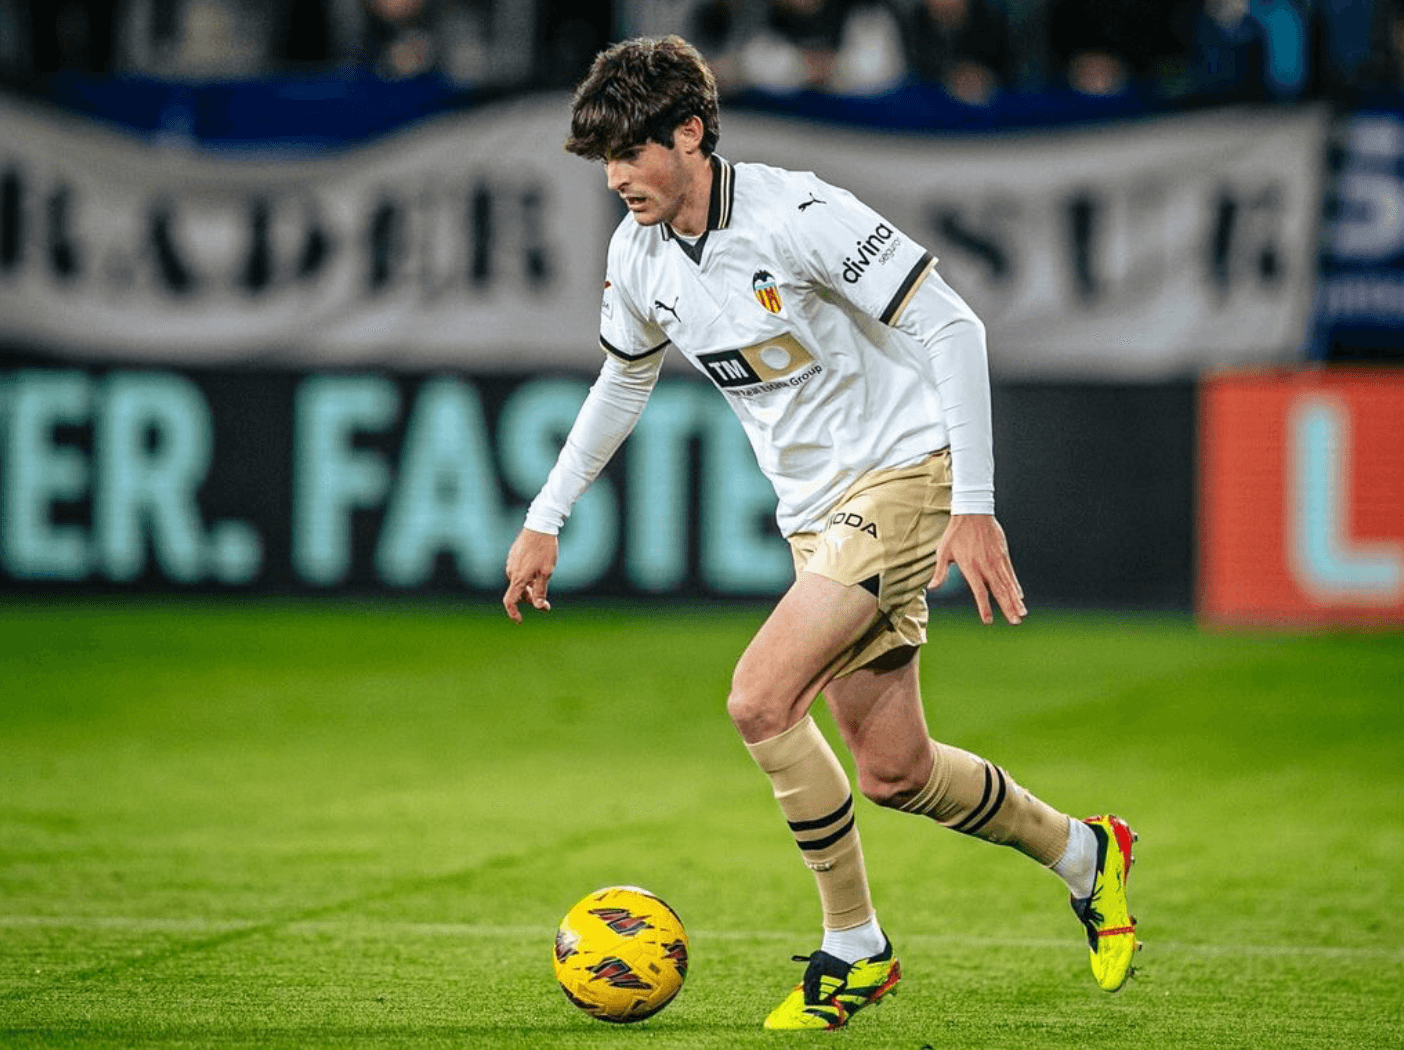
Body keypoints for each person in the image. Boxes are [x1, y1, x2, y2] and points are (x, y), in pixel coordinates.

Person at [502, 35, 1139, 1031]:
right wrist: (547, 515)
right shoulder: (639, 256)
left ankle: (856, 948)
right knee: (894, 772)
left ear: (690, 133)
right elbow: (625, 378)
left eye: (632, 152)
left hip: (905, 474)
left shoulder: (798, 213)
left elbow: (954, 327)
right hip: (818, 516)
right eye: (605, 162)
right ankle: (1083, 854)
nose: (619, 178)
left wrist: (973, 502)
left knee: (759, 699)